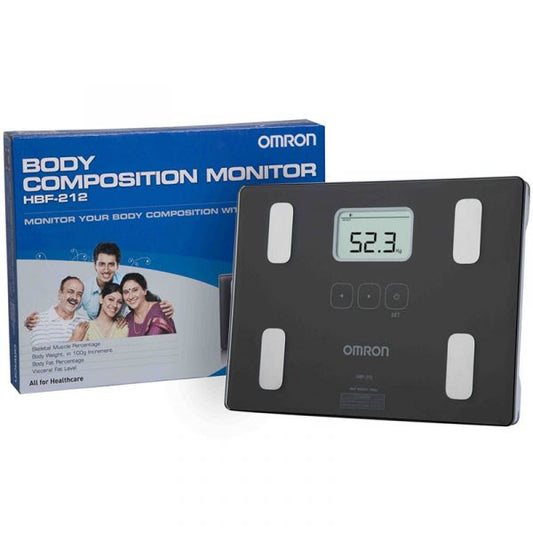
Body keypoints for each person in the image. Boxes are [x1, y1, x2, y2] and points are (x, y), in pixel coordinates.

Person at [25, 241, 174, 328]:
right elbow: (65, 307)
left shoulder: (126, 283)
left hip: (124, 331)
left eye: (111, 264)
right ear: (95, 265)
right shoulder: (85, 290)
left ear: (117, 266)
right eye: (102, 264)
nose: (106, 270)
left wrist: (163, 306)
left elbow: (146, 298)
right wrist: (40, 320)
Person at [30, 276, 87, 346]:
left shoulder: (85, 323)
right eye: (70, 292)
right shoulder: (38, 321)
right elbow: (41, 352)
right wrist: (74, 340)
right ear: (60, 294)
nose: (74, 297)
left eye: (79, 294)